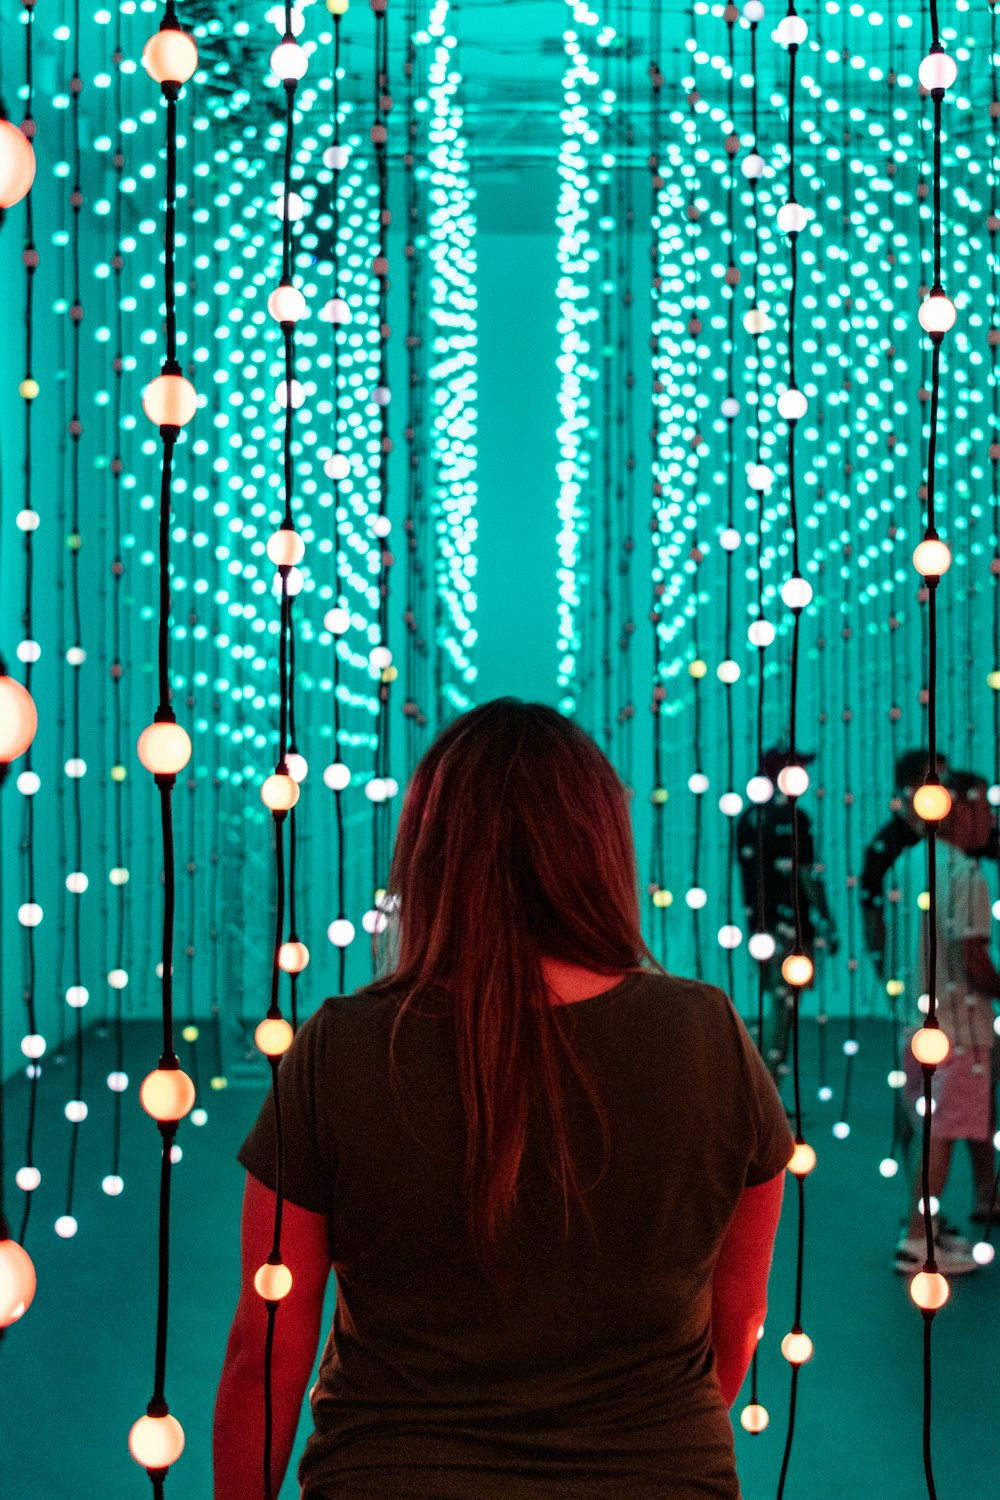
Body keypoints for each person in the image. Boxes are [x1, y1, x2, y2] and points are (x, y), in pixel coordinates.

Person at [215, 699, 794, 1500]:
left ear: (428, 853)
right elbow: (737, 1326)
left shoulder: (340, 1049)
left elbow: (265, 1355)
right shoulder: (709, 1035)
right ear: (599, 847)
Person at [894, 770, 1000, 1276]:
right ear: (956, 809)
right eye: (984, 807)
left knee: (927, 1126)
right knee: (941, 1133)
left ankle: (928, 1224)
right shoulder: (965, 875)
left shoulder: (908, 864)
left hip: (913, 1023)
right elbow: (973, 963)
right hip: (958, 1030)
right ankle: (918, 1242)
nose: (992, 819)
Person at [736, 747, 838, 1078]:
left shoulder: (749, 819)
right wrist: (826, 920)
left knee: (778, 1006)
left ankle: (767, 1090)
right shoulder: (795, 818)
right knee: (784, 1010)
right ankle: (768, 1092)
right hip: (794, 930)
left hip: (761, 929)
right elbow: (807, 875)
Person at [860, 748, 945, 975]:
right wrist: (888, 973)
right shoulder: (886, 846)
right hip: (911, 971)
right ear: (912, 786)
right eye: (940, 782)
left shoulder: (947, 841)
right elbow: (872, 916)